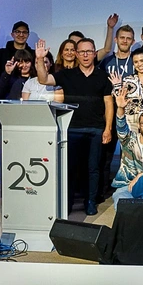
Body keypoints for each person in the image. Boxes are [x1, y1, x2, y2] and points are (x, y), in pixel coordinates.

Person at [36, 38, 113, 215]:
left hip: (96, 129)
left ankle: (90, 202)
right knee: (70, 169)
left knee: (93, 169)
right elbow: (43, 79)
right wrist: (40, 59)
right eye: (82, 52)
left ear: (94, 53)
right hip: (72, 129)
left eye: (89, 51)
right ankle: (67, 202)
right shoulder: (66, 74)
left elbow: (109, 103)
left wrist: (108, 128)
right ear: (77, 54)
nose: (85, 55)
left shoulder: (103, 76)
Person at [109, 47, 143, 133]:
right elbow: (119, 102)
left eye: (142, 61)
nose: (139, 64)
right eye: (136, 62)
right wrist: (117, 87)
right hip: (131, 123)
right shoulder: (127, 81)